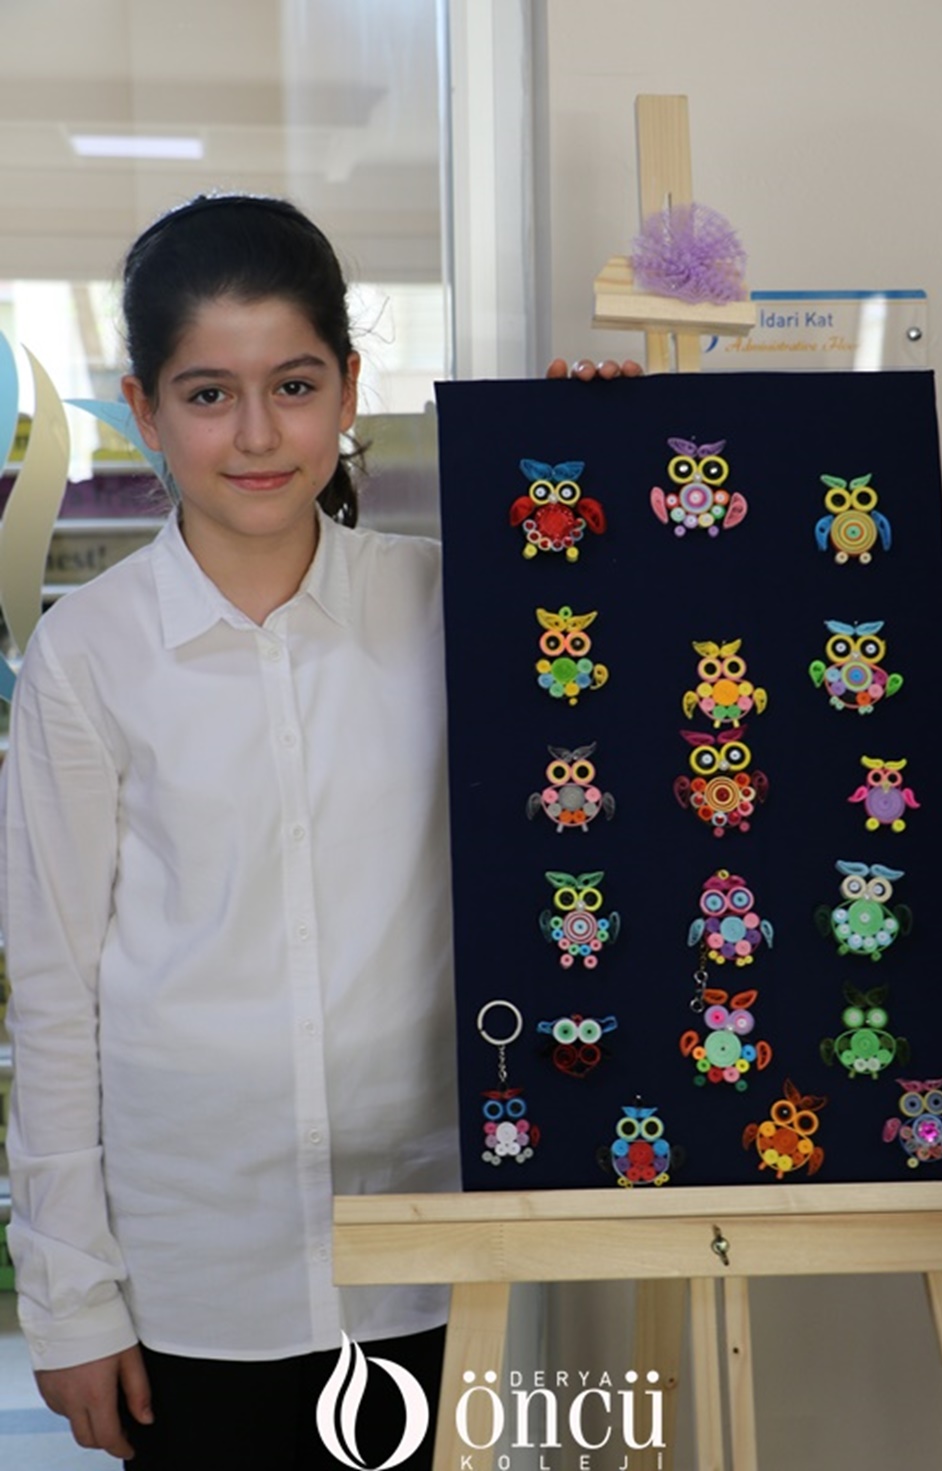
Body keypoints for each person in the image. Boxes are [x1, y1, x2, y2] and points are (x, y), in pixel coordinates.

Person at [0, 192, 640, 1470]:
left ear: (348, 387)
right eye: (207, 393)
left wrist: (609, 457)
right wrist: (70, 1296)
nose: (255, 434)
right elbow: (56, 991)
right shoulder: (89, 653)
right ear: (144, 409)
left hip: (429, 1248)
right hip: (191, 1275)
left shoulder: (454, 604)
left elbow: (632, 722)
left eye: (293, 386)